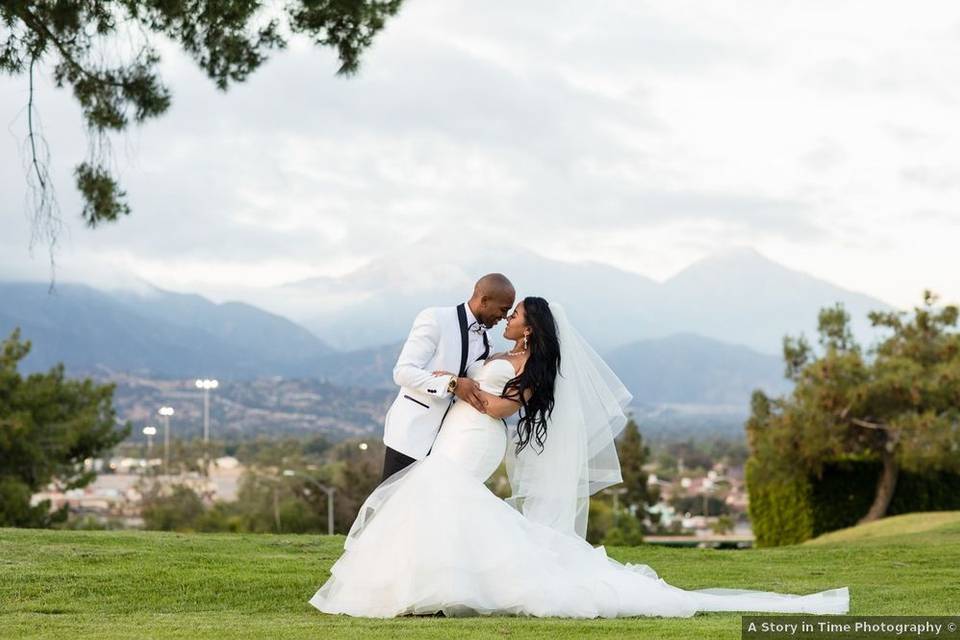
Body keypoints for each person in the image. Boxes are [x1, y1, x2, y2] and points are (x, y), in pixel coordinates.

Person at [310, 297, 851, 618]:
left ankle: (433, 587)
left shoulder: (534, 368)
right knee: (441, 504)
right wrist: (459, 386)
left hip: (476, 436)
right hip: (456, 431)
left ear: (530, 325)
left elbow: (501, 408)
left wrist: (466, 392)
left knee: (443, 498)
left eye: (517, 312)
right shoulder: (496, 351)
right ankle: (424, 586)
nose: (510, 315)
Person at [380, 273, 515, 482]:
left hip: (449, 445)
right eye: (503, 309)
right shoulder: (435, 318)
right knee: (389, 508)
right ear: (484, 300)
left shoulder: (487, 341)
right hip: (411, 435)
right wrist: (452, 383)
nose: (505, 317)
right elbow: (403, 372)